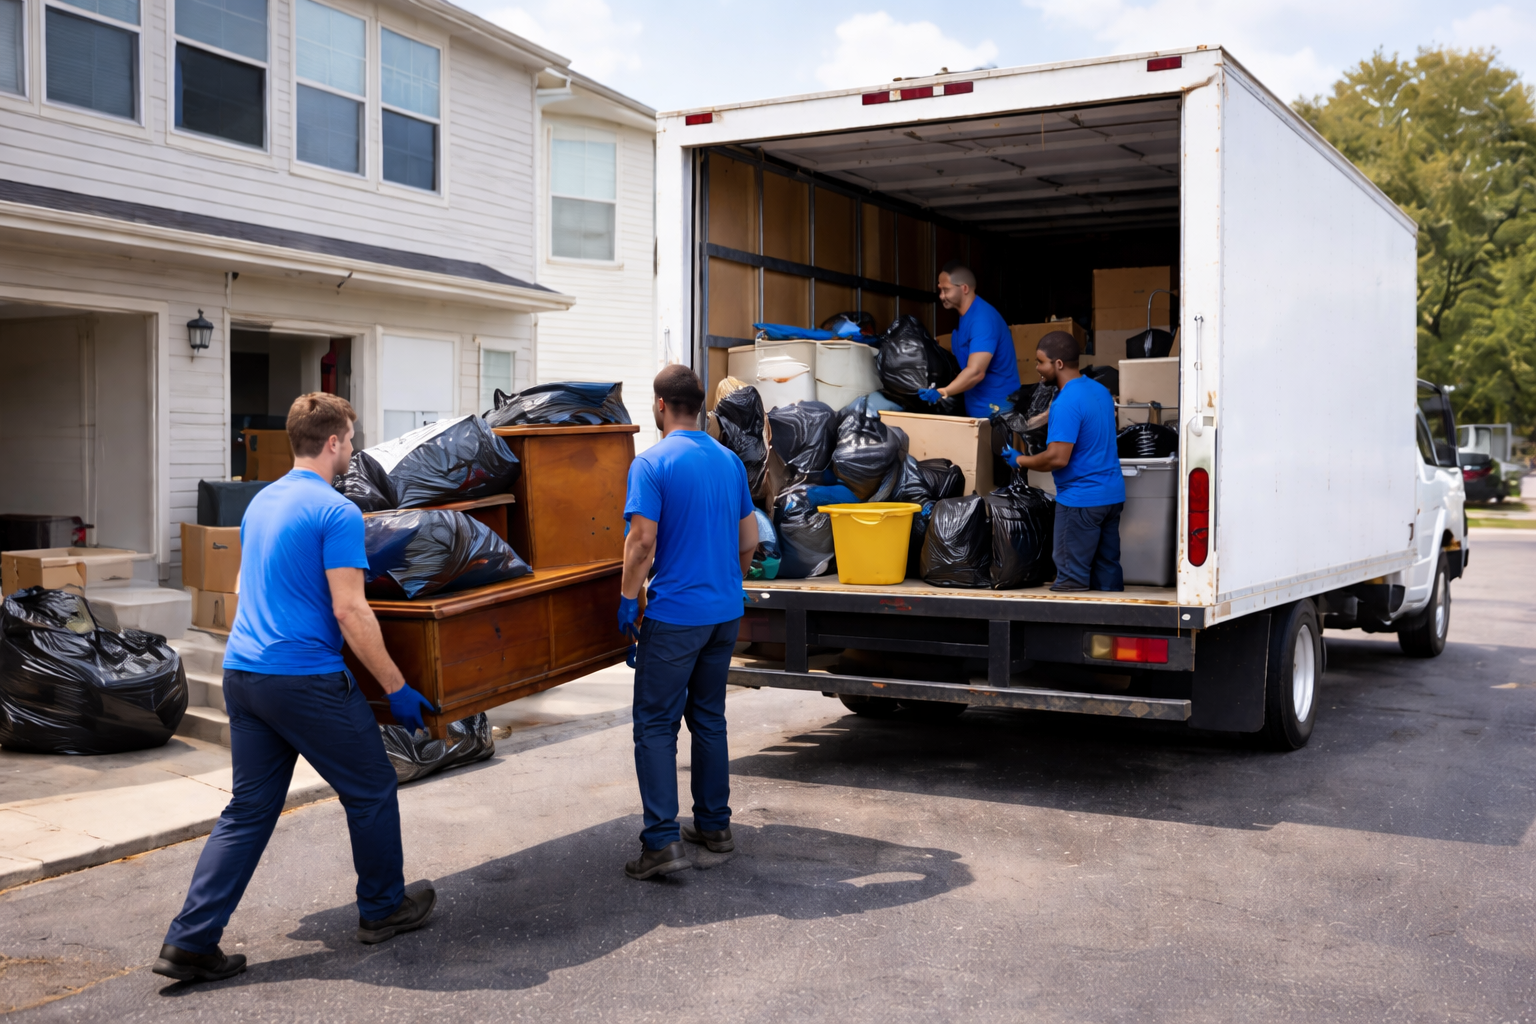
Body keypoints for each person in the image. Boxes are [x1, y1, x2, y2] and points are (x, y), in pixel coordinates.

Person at [154, 393, 437, 984]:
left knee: (249, 809)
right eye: (351, 440)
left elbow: (245, 587)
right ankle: (383, 909)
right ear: (333, 442)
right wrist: (397, 686)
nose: (353, 449)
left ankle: (189, 940)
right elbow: (351, 610)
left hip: (244, 673)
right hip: (304, 679)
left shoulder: (261, 501)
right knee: (372, 787)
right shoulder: (337, 512)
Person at [619, 365, 758, 881]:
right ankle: (715, 826)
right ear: (700, 406)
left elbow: (642, 543)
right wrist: (726, 582)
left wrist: (627, 599)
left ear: (660, 406)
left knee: (656, 724)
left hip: (675, 616)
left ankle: (661, 842)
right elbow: (749, 540)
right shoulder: (729, 461)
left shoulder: (651, 463)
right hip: (724, 614)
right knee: (709, 718)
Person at [1002, 332, 1126, 593]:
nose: (1037, 368)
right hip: (1111, 496)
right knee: (1107, 575)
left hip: (1081, 502)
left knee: (1071, 581)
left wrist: (1020, 459)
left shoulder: (1066, 402)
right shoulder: (1099, 391)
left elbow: (1058, 458)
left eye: (1041, 362)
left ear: (1058, 364)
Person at [921, 262, 1022, 417]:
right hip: (979, 411)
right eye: (940, 290)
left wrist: (944, 391)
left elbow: (976, 372)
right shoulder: (965, 319)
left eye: (946, 290)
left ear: (964, 288)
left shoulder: (982, 319)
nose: (941, 296)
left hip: (999, 414)